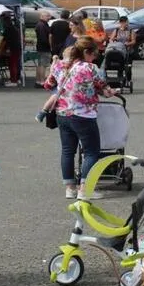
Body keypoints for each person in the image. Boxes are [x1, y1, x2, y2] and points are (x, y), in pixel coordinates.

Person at [44, 37, 117, 200]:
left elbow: (48, 85)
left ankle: (70, 188)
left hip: (62, 113)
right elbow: (105, 90)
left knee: (67, 150)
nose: (95, 58)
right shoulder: (90, 68)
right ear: (86, 52)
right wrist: (110, 91)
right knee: (91, 152)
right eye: (94, 54)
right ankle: (85, 189)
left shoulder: (60, 65)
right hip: (83, 114)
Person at [0, 11, 22, 86]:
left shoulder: (8, 29)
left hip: (13, 49)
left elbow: (4, 41)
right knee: (16, 64)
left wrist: (0, 50)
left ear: (6, 22)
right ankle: (16, 79)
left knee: (12, 65)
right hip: (17, 48)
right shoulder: (15, 28)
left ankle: (13, 81)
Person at [34, 11, 53, 89]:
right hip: (44, 47)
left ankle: (38, 81)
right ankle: (42, 81)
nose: (49, 17)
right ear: (42, 16)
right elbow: (43, 38)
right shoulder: (42, 25)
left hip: (41, 47)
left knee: (40, 64)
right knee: (43, 65)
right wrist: (49, 45)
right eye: (47, 16)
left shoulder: (41, 24)